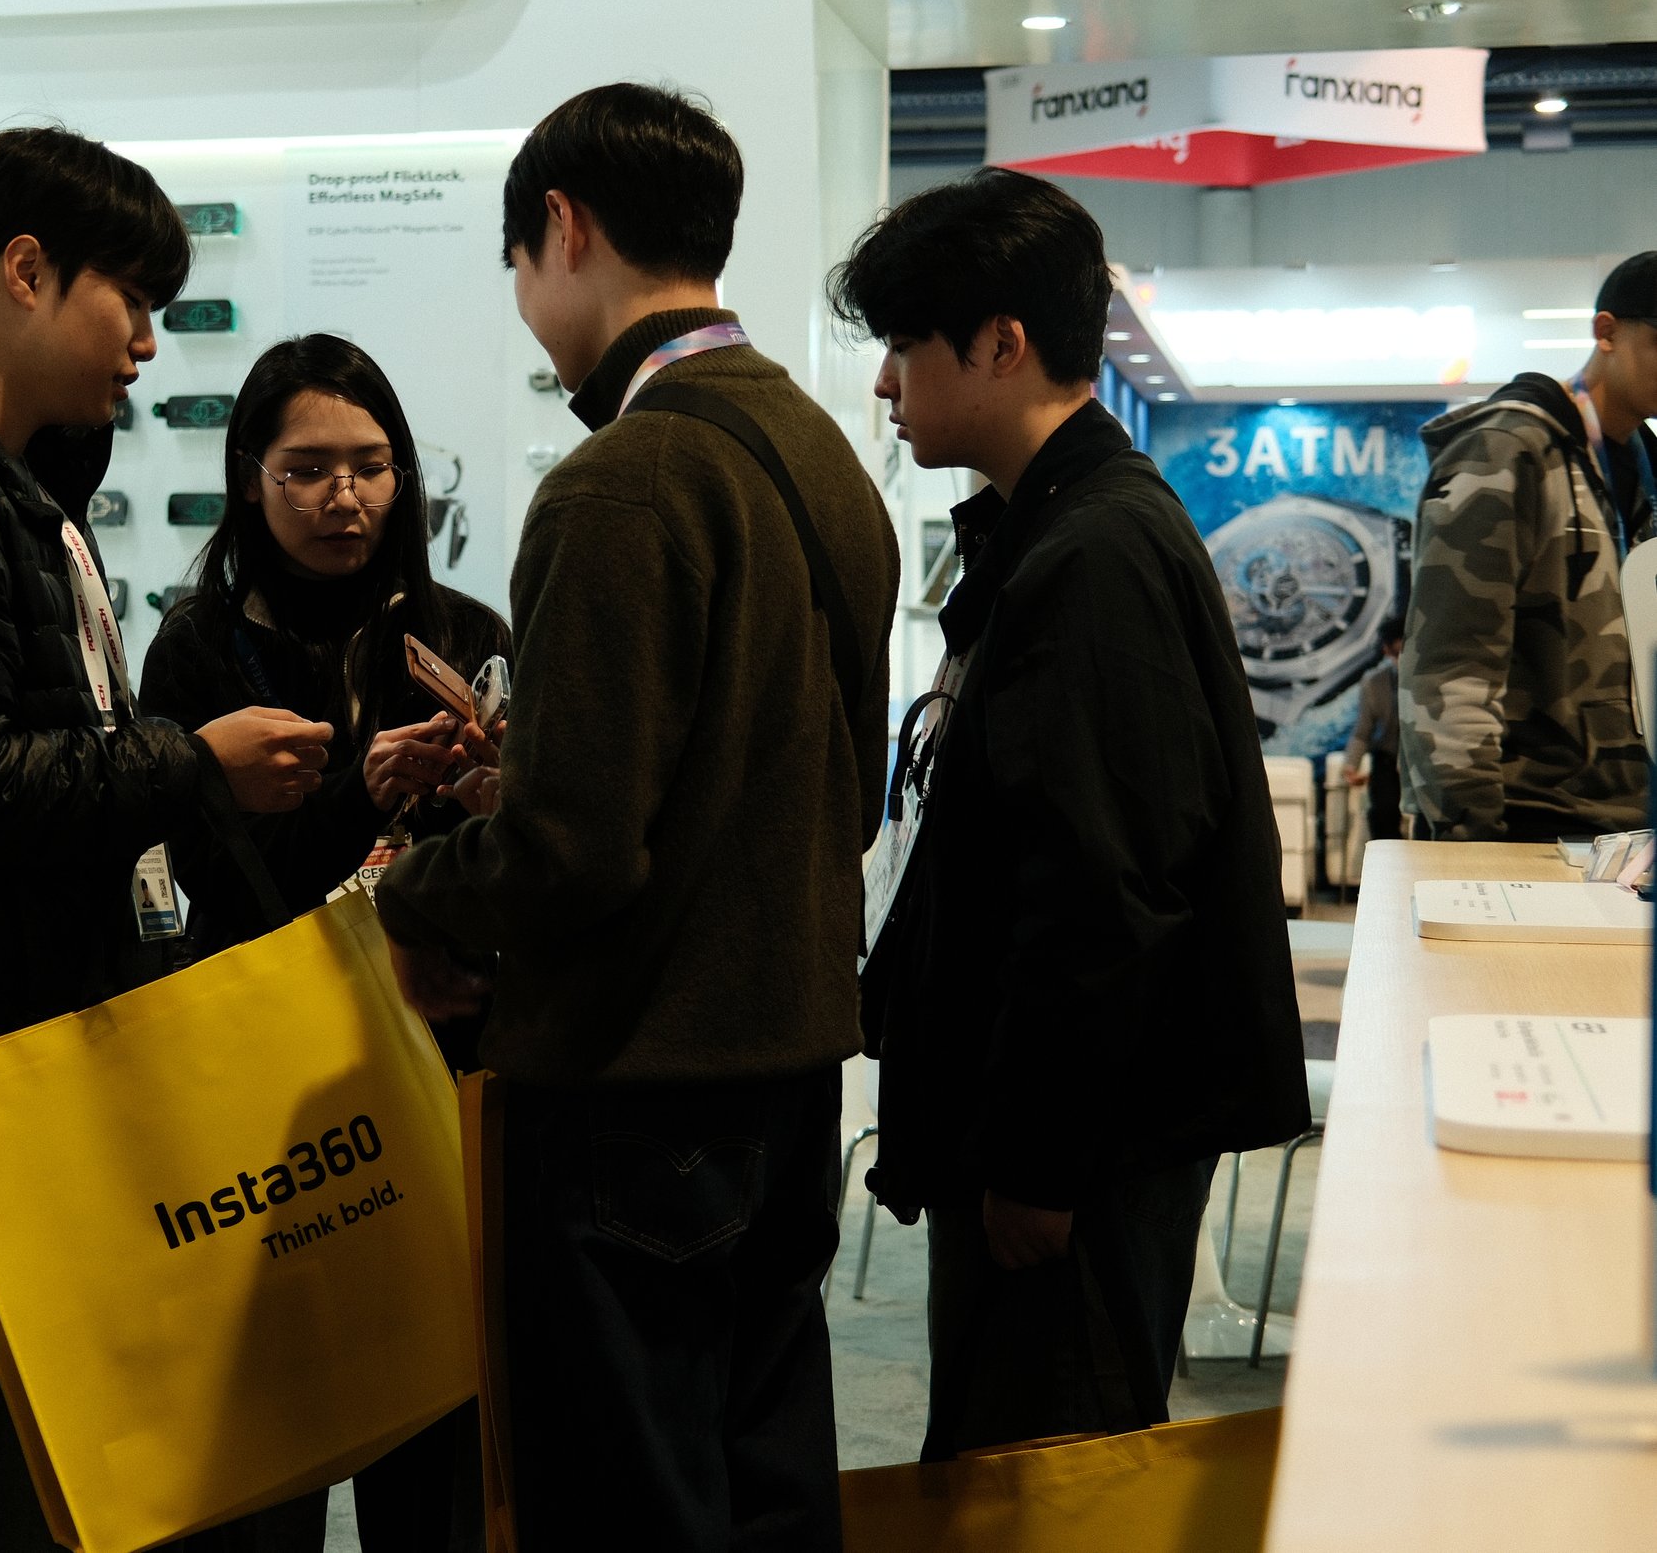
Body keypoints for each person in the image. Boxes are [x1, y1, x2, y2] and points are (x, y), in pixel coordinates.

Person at [0, 125, 336, 1552]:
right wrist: (192, 764)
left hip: (35, 1044)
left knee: (55, 1462)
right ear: (24, 271)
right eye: (129, 301)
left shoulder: (4, 490)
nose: (148, 344)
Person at [373, 82, 901, 1551]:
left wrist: (413, 895)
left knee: (626, 1497)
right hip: (791, 1066)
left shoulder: (623, 479)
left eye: (520, 263)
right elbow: (823, 788)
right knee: (767, 1471)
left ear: (564, 227)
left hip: (633, 1092)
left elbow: (575, 847)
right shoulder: (822, 453)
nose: (529, 302)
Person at [831, 167, 1310, 1462]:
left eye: (903, 344)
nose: (886, 384)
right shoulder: (1062, 526)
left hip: (1082, 1157)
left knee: (1047, 1475)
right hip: (1068, 1135)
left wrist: (1037, 1161)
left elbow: (1105, 889)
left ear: (1001, 342)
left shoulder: (1092, 553)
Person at [139, 331, 509, 1553]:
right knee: (264, 1457)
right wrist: (360, 788)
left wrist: (481, 803)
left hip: (434, 1061)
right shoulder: (196, 651)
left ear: (404, 478)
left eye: (369, 465)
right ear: (250, 474)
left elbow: (531, 865)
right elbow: (227, 889)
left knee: (437, 1452)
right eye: (305, 468)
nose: (340, 497)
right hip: (259, 1077)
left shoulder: (466, 630)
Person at [1400, 250, 1657, 841]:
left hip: (1626, 834)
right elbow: (1451, 665)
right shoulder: (1504, 453)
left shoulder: (1646, 472)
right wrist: (1469, 835)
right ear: (1607, 332)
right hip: (1528, 822)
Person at [1343, 618, 1406, 843]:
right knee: (1383, 818)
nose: (1403, 661)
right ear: (1387, 651)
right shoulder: (1374, 683)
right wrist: (1351, 765)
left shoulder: (1426, 683)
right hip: (1387, 761)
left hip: (1418, 762)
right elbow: (1363, 730)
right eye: (1398, 654)